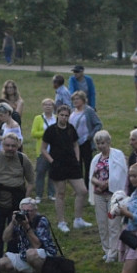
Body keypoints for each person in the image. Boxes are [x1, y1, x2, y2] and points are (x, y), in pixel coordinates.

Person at [0, 133, 35, 273]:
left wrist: (25, 199)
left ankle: (12, 262)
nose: (10, 148)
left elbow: (31, 181)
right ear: (2, 145)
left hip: (16, 202)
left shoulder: (23, 159)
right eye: (7, 145)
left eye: (13, 146)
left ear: (18, 146)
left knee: (14, 234)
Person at [41, 104, 90, 234]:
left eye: (66, 116)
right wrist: (52, 161)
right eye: (62, 115)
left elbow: (75, 144)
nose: (64, 118)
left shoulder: (71, 129)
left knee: (82, 190)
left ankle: (78, 219)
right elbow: (43, 149)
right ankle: (61, 221)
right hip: (58, 165)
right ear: (58, 115)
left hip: (72, 164)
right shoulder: (51, 130)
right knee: (60, 193)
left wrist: (77, 158)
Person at [0, 197, 58, 273]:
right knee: (2, 263)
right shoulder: (19, 220)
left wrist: (27, 227)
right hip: (26, 255)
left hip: (45, 256)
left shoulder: (41, 220)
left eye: (29, 211)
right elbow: (5, 238)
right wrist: (12, 223)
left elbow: (37, 245)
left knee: (30, 253)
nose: (26, 214)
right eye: (24, 211)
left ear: (35, 210)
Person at [88, 130, 128, 263]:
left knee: (113, 224)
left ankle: (113, 252)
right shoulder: (96, 158)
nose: (101, 146)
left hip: (113, 195)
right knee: (102, 224)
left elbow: (120, 174)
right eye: (98, 143)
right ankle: (106, 249)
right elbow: (91, 176)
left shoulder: (117, 155)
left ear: (109, 142)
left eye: (103, 143)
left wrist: (107, 184)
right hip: (99, 194)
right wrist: (98, 183)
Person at [68, 90, 102, 184]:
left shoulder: (89, 111)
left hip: (85, 142)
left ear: (83, 100)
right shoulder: (72, 111)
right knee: (77, 164)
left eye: (77, 99)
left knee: (88, 164)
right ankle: (79, 184)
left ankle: (88, 184)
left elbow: (98, 124)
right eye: (74, 99)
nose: (75, 101)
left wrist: (90, 136)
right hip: (74, 143)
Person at [30, 99, 57, 204]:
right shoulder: (38, 118)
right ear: (42, 107)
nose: (48, 106)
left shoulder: (56, 118)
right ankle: (38, 194)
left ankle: (51, 193)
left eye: (50, 105)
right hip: (42, 150)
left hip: (54, 150)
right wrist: (46, 132)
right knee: (40, 172)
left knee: (52, 173)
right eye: (45, 105)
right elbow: (34, 133)